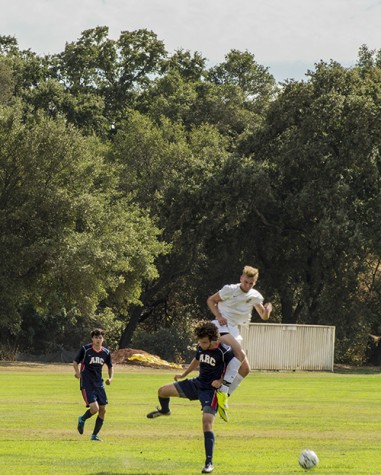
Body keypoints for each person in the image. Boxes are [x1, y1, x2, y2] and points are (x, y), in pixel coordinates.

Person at [146, 321, 241, 474]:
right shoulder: (200, 346)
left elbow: (235, 367)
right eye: (199, 342)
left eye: (204, 342)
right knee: (162, 391)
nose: (201, 344)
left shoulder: (224, 351)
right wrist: (183, 374)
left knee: (206, 422)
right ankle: (165, 410)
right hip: (196, 384)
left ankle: (209, 463)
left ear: (213, 340)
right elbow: (196, 360)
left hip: (210, 391)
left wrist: (221, 382)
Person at [207, 265, 272, 400]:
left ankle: (222, 397)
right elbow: (210, 300)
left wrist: (267, 311)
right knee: (240, 354)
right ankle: (219, 389)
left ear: (255, 283)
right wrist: (219, 316)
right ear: (241, 278)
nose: (248, 285)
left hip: (234, 330)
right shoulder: (230, 290)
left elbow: (263, 316)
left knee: (245, 369)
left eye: (251, 283)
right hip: (220, 326)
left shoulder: (255, 296)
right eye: (246, 282)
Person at [73, 328, 113, 441]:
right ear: (92, 338)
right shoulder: (85, 350)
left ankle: (94, 435)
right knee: (94, 408)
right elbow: (75, 361)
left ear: (103, 339)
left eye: (100, 337)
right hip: (87, 383)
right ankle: (82, 419)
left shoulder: (105, 352)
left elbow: (110, 366)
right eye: (96, 337)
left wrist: (110, 378)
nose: (98, 340)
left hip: (99, 384)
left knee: (103, 409)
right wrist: (77, 373)